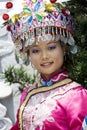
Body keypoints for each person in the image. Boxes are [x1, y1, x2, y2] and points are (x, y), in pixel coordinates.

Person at [2, 0, 87, 129]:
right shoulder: (28, 93)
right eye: (35, 50)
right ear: (28, 54)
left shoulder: (77, 96)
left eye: (51, 47)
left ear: (63, 48)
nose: (44, 56)